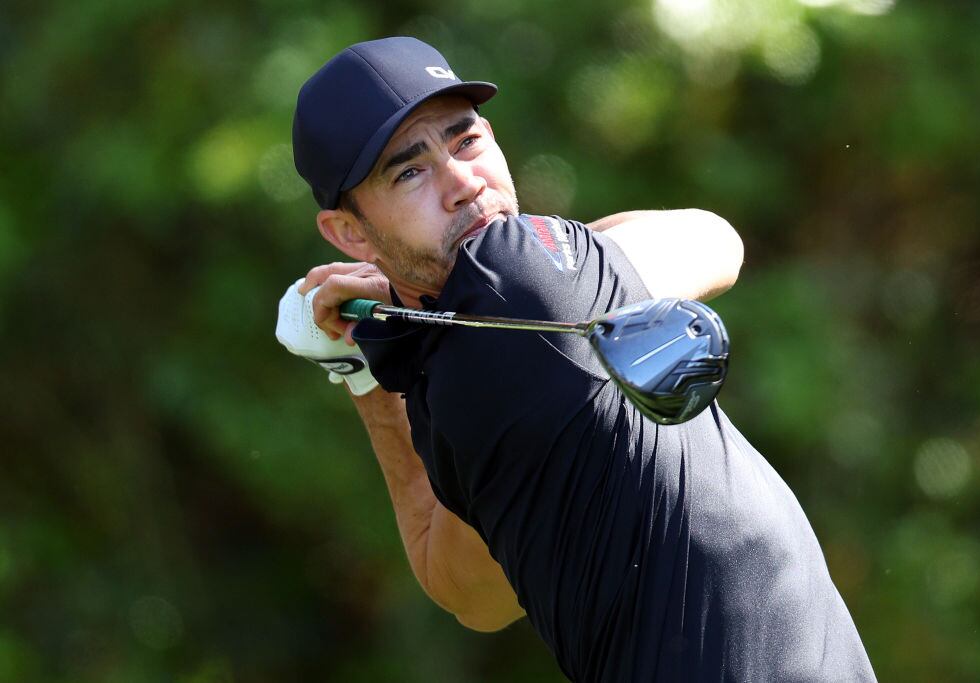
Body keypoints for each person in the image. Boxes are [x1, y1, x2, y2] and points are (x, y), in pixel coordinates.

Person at [282, 36, 876, 682]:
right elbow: (471, 592)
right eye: (410, 173)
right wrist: (373, 366)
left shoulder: (502, 302)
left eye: (467, 141)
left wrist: (364, 367)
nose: (464, 184)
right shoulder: (451, 383)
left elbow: (715, 242)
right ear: (350, 233)